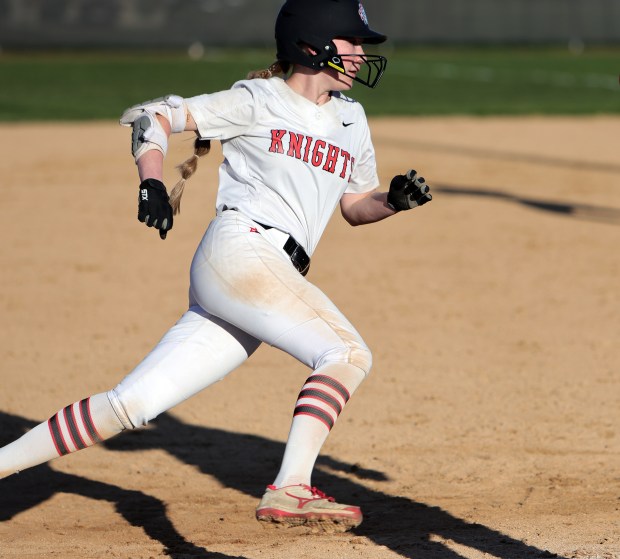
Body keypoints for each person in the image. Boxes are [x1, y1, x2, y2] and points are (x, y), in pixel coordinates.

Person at [0, 0, 431, 532]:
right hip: (242, 251)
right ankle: (291, 486)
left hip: (259, 274)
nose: (362, 53)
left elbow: (354, 204)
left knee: (132, 405)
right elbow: (153, 117)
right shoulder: (258, 99)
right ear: (313, 45)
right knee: (346, 352)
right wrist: (151, 180)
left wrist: (391, 201)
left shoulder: (351, 119)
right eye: (353, 41)